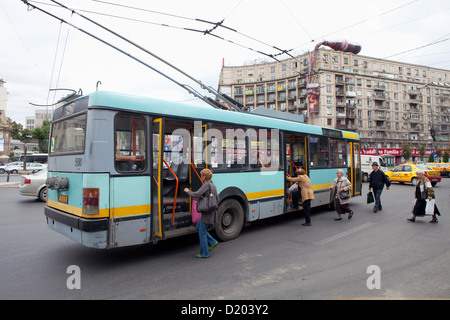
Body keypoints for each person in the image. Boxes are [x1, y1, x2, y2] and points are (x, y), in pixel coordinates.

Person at [184, 169, 219, 258]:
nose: (200, 177)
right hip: (210, 211)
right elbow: (217, 198)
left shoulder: (206, 185)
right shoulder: (213, 185)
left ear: (204, 176)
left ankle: (205, 253)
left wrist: (188, 191)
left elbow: (196, 194)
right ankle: (212, 242)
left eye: (201, 175)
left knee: (202, 232)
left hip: (206, 212)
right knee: (198, 227)